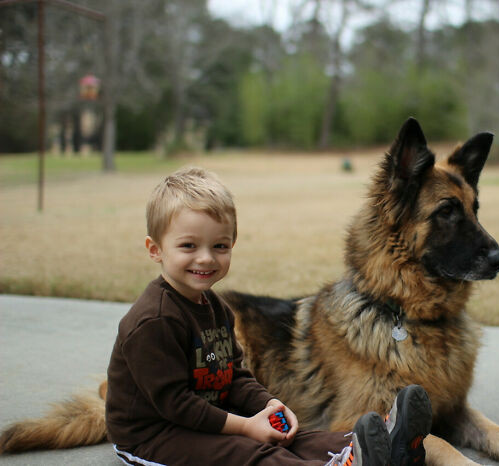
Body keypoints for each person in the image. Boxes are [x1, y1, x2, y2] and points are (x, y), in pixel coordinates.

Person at [105, 167, 432, 466]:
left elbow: (235, 375)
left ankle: (385, 447)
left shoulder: (216, 308)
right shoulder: (154, 321)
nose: (205, 258)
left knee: (291, 436)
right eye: (188, 246)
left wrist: (270, 406)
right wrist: (246, 426)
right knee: (250, 452)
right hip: (154, 435)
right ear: (155, 249)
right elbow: (176, 405)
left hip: (207, 417)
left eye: (219, 246)